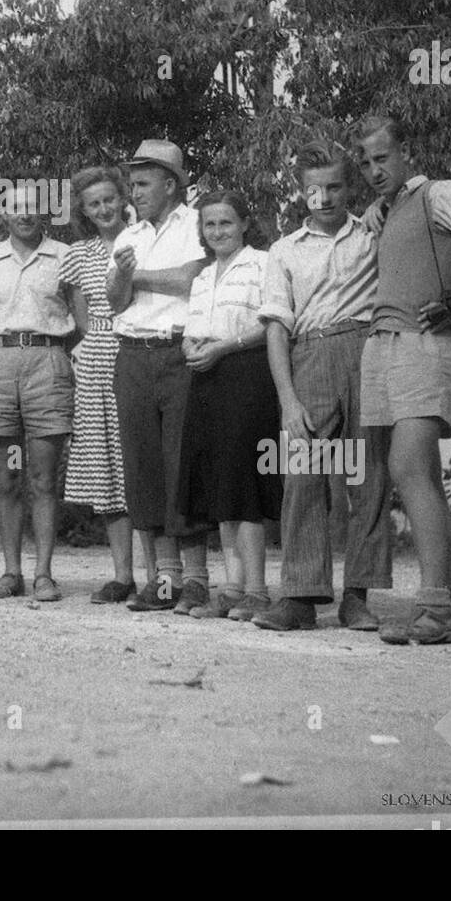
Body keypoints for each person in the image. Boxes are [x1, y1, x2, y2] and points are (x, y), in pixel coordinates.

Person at [352, 114, 451, 644]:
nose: (375, 170)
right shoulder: (388, 209)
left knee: (407, 467)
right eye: (367, 162)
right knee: (415, 471)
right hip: (386, 348)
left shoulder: (439, 193)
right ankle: (441, 605)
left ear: (407, 153)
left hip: (427, 348)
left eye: (384, 158)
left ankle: (440, 611)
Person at [253, 142, 391, 633]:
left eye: (335, 186)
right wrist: (288, 399)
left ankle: (358, 596)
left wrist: (381, 208)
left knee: (369, 475)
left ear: (348, 187)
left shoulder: (373, 234)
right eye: (315, 189)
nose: (326, 197)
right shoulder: (284, 250)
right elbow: (275, 329)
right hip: (308, 352)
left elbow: (404, 205)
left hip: (367, 351)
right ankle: (301, 598)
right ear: (301, 193)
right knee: (303, 474)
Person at [105, 139, 210, 615]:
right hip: (132, 353)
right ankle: (164, 578)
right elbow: (114, 300)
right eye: (133, 182)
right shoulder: (130, 235)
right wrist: (127, 276)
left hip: (179, 351)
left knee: (183, 463)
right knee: (144, 464)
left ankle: (198, 579)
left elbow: (193, 278)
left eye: (144, 182)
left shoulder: (198, 224)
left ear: (171, 184)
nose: (136, 190)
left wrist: (137, 275)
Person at [176, 191, 281, 621]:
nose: (218, 231)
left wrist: (223, 347)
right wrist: (190, 345)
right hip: (207, 380)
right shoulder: (202, 277)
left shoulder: (263, 263)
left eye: (226, 223)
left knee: (245, 483)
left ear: (243, 224)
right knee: (217, 481)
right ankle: (231, 588)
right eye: (210, 224)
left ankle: (257, 589)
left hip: (248, 376)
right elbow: (193, 327)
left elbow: (270, 323)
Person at [0, 181, 77, 602]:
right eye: (16, 207)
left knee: (44, 478)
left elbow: (81, 322)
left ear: (47, 212)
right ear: (3, 215)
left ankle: (44, 574)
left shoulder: (64, 257)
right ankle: (10, 573)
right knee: (8, 478)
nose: (26, 214)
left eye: (34, 207)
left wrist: (49, 353)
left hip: (47, 365)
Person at [60, 166, 153, 603]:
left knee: (143, 464)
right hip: (98, 359)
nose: (103, 209)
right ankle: (122, 576)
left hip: (143, 348)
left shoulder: (147, 238)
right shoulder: (79, 253)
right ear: (83, 209)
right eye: (93, 203)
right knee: (110, 473)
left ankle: (160, 577)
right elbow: (82, 318)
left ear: (123, 199)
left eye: (109, 200)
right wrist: (95, 345)